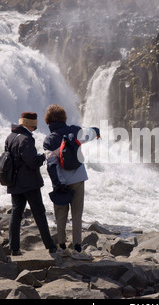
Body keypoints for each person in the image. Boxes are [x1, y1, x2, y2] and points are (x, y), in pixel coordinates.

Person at [43, 104, 100, 260]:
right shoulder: (74, 131)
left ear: (48, 121)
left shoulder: (49, 139)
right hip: (78, 178)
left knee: (61, 214)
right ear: (64, 118)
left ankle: (61, 247)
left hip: (61, 181)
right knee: (77, 214)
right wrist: (97, 131)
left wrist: (57, 182)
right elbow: (92, 132)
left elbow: (51, 163)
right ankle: (77, 249)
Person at [5, 112, 57, 256]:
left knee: (16, 215)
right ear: (30, 124)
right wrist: (43, 157)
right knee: (39, 213)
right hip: (29, 183)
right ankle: (50, 246)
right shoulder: (26, 139)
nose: (35, 128)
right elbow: (32, 162)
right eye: (34, 125)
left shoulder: (10, 137)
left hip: (14, 182)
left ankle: (14, 248)